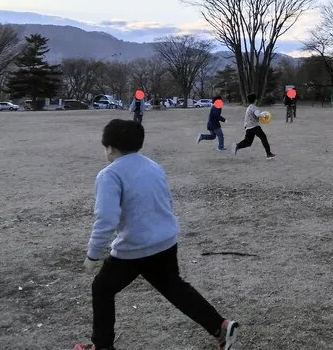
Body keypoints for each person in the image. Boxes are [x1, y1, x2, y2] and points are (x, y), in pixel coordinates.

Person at [73, 119, 239, 350]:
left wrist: (92, 255)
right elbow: (166, 202)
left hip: (133, 249)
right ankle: (219, 326)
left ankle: (102, 346)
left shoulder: (109, 175)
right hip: (165, 242)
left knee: (102, 288)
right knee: (174, 287)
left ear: (110, 148)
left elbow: (106, 219)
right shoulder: (153, 165)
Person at [232, 94, 275, 159]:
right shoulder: (254, 107)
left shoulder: (249, 107)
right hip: (254, 126)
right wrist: (264, 116)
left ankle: (237, 146)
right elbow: (258, 115)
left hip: (248, 127)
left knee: (248, 142)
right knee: (263, 137)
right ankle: (268, 154)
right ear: (255, 100)